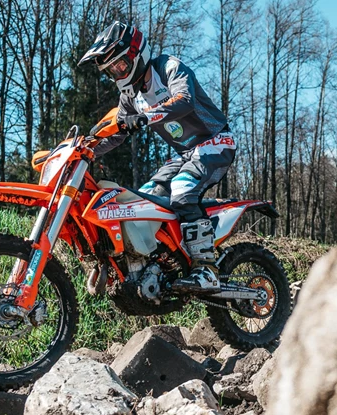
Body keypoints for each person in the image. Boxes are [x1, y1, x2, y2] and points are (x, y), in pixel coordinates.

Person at [79, 21, 235, 293]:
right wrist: (87, 149)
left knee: (183, 189)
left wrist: (144, 117)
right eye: (111, 70)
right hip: (185, 153)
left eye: (120, 65)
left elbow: (184, 100)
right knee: (144, 199)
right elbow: (118, 131)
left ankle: (206, 268)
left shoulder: (168, 67)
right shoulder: (129, 94)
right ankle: (162, 263)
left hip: (215, 141)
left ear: (136, 54)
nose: (118, 72)